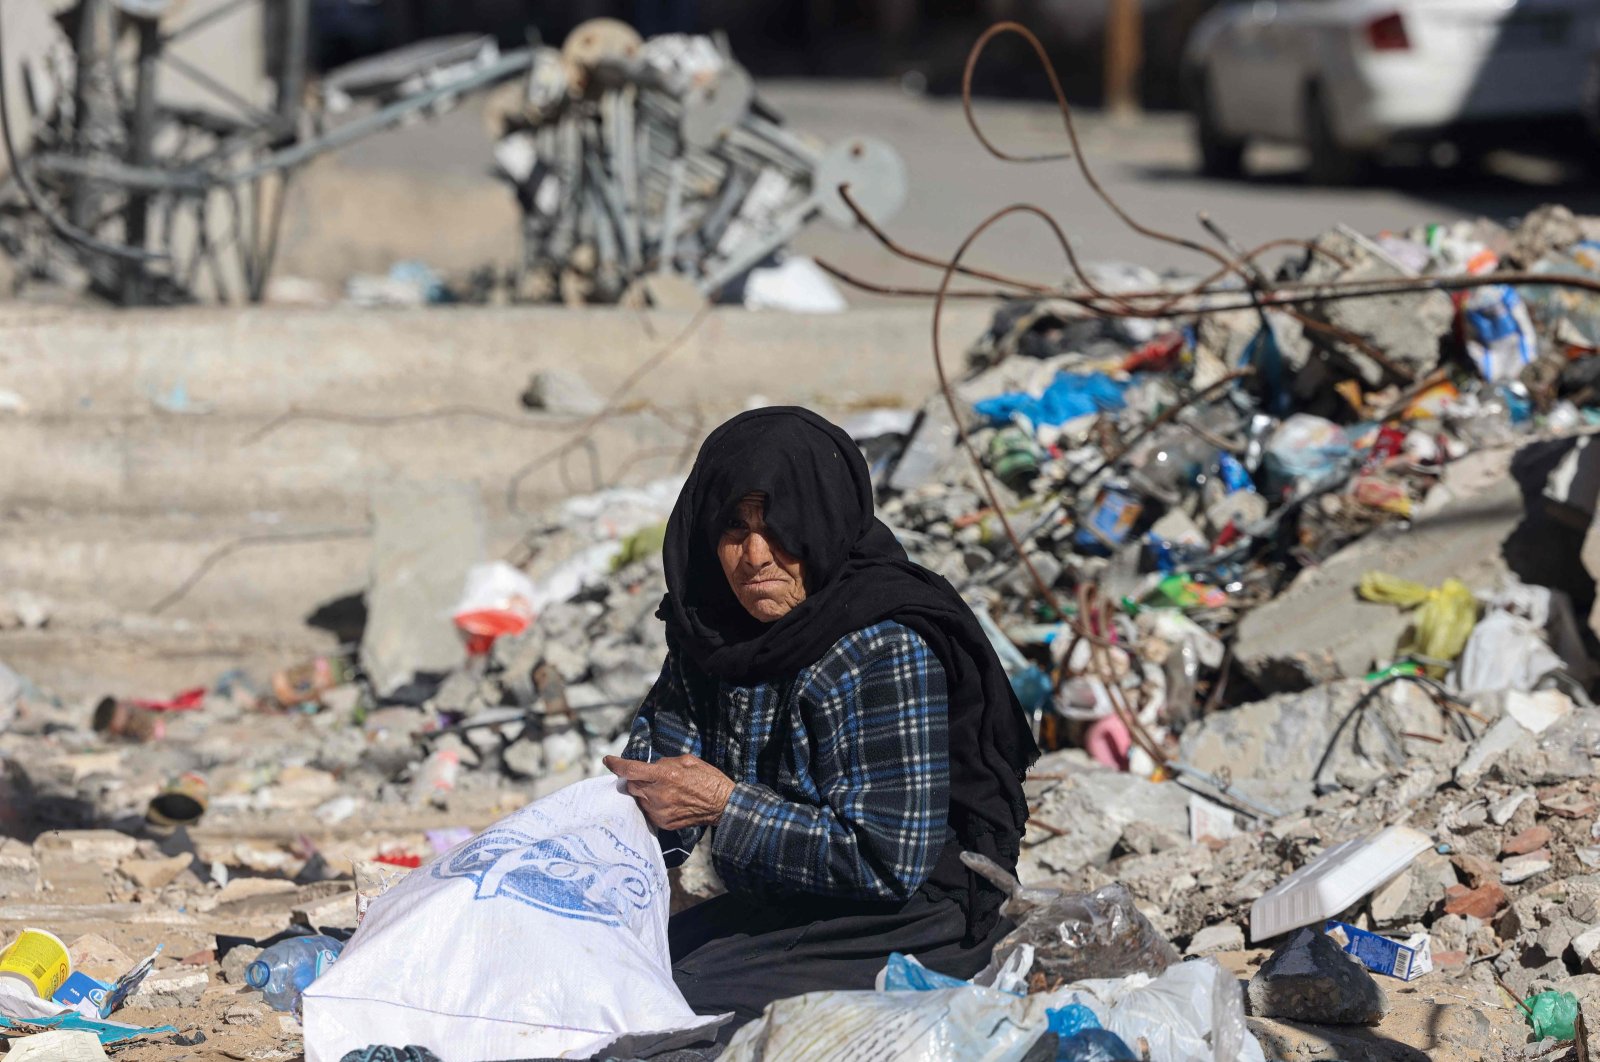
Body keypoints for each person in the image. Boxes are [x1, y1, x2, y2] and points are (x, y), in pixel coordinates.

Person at [603, 406, 1038, 1034]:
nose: (756, 556)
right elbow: (654, 778)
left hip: (905, 917)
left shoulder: (880, 644)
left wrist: (726, 807)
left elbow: (887, 860)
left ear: (821, 520)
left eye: (778, 526)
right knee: (608, 970)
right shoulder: (710, 637)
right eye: (734, 528)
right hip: (779, 907)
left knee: (666, 1015)